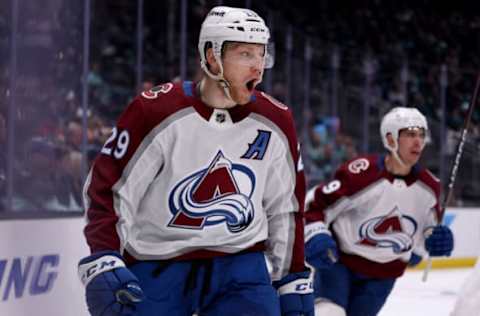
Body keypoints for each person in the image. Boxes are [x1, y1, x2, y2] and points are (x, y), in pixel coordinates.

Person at [77, 6, 314, 316]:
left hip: (240, 265)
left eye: (261, 55)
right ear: (212, 56)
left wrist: (292, 276)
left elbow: (286, 207)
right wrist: (104, 257)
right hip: (158, 260)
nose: (258, 67)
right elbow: (108, 188)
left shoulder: (276, 120)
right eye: (245, 54)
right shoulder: (155, 112)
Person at [303, 107, 454, 316]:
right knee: (329, 312)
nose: (418, 142)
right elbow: (315, 205)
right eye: (410, 134)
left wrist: (434, 240)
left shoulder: (430, 187)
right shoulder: (361, 174)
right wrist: (315, 235)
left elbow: (426, 229)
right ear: (390, 139)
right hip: (340, 263)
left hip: (383, 275)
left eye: (421, 134)